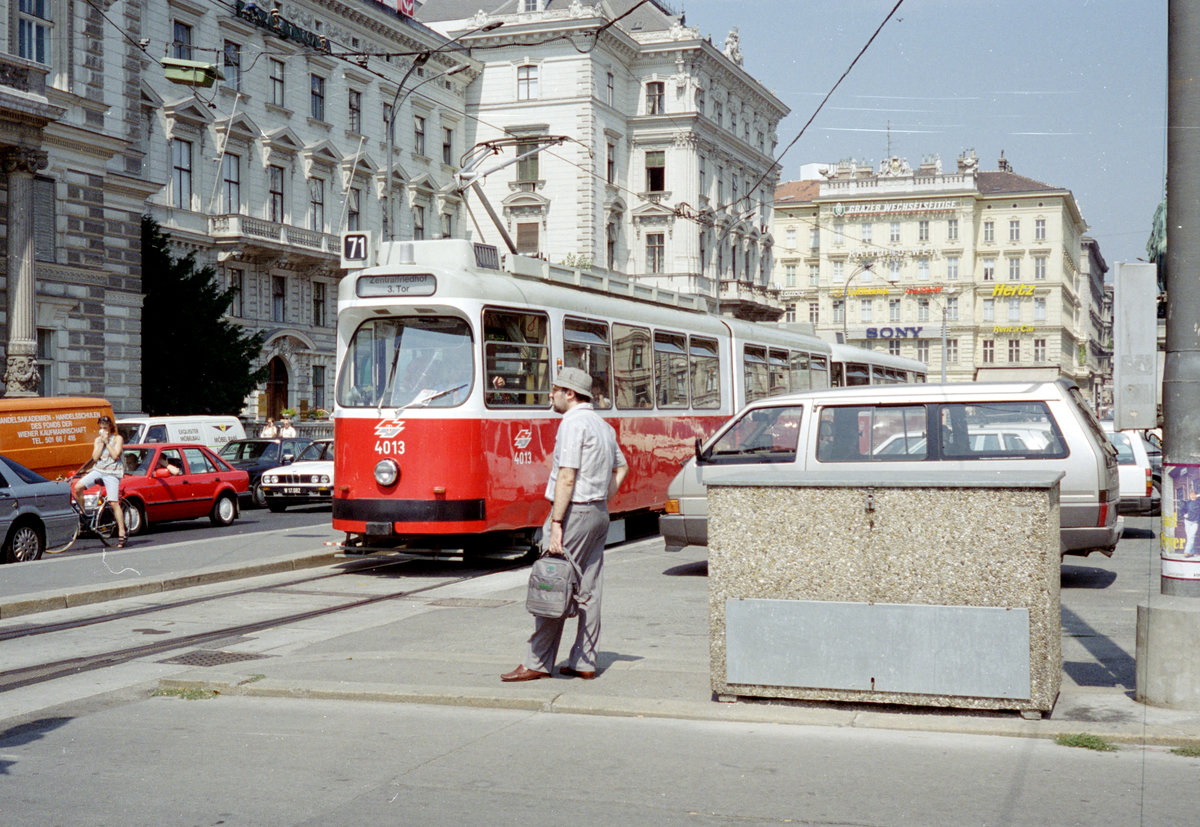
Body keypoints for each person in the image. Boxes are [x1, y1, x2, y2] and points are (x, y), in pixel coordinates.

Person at [501, 367, 628, 682]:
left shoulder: (572, 424)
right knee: (590, 589)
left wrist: (557, 521)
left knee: (552, 583)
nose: (550, 395)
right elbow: (622, 468)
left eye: (555, 389)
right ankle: (584, 661)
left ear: (569, 393)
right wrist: (601, 498)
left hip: (574, 513)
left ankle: (537, 662)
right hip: (598, 512)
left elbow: (567, 475)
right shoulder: (602, 425)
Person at [73, 415, 128, 548]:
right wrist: (101, 442)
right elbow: (95, 457)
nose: (103, 430)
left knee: (114, 502)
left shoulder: (117, 438)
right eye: (101, 428)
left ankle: (122, 531)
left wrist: (108, 442)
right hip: (98, 469)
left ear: (110, 427)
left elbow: (115, 455)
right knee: (78, 487)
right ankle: (83, 513)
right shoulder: (98, 440)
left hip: (112, 472)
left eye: (105, 427)